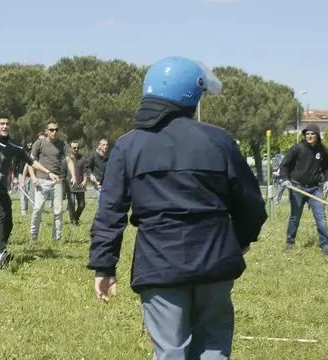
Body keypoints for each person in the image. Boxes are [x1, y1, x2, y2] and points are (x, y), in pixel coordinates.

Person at [88, 56, 267, 359]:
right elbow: (251, 204)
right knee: (213, 347)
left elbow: (110, 213)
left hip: (160, 266)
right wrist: (240, 241)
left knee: (171, 351)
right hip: (216, 262)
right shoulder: (219, 140)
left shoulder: (128, 145)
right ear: (193, 96)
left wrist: (105, 266)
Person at [0, 99, 60, 269]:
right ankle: (1, 252)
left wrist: (49, 172)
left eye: (7, 124)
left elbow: (31, 160)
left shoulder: (14, 145)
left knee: (9, 222)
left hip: (1, 188)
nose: (5, 126)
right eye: (2, 123)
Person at [279, 123, 328, 255]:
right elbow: (284, 165)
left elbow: (327, 167)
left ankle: (325, 246)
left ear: (317, 135)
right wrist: (285, 179)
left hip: (315, 189)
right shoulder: (297, 148)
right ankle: (290, 243)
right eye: (307, 134)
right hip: (297, 188)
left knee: (321, 217)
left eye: (312, 134)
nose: (310, 136)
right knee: (295, 217)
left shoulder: (323, 150)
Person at [28, 122, 76, 243]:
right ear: (46, 131)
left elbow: (69, 160)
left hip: (57, 181)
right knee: (38, 208)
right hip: (42, 180)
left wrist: (73, 175)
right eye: (51, 129)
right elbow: (30, 161)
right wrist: (33, 177)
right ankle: (33, 236)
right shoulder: (39, 143)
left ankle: (57, 238)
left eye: (56, 130)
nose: (54, 132)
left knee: (58, 210)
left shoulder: (62, 144)